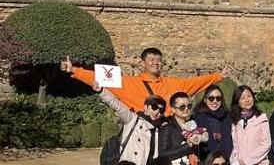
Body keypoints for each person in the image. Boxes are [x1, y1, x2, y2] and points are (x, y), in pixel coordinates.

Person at [60, 47, 229, 115]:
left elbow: (197, 82)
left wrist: (218, 76)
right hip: (142, 134)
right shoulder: (128, 83)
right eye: (151, 59)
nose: (156, 62)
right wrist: (74, 70)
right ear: (143, 63)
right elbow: (99, 77)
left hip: (167, 135)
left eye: (158, 59)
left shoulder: (174, 84)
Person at [94, 82, 166, 165]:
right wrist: (102, 91)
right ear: (146, 107)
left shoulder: (158, 129)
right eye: (154, 107)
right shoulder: (133, 119)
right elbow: (117, 106)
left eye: (161, 110)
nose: (157, 112)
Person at [159, 92, 202, 165]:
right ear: (173, 109)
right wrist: (187, 146)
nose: (186, 109)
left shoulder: (193, 125)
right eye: (182, 107)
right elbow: (163, 154)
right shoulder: (167, 127)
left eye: (189, 106)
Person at [230, 85, 272, 165]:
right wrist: (235, 161)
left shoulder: (262, 118)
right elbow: (233, 144)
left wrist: (248, 160)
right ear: (237, 102)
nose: (247, 100)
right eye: (243, 98)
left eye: (249, 96)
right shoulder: (233, 121)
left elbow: (266, 143)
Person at [193, 85, 233, 161]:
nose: (215, 101)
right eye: (211, 98)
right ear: (205, 100)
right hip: (205, 160)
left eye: (218, 98)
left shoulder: (227, 117)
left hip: (225, 160)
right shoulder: (197, 118)